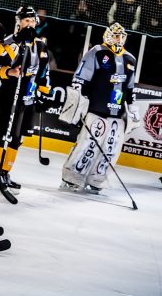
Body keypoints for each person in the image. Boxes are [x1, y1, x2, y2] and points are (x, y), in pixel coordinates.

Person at [58, 23, 139, 193]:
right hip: (96, 109)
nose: (119, 39)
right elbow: (80, 78)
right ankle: (72, 177)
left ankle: (97, 180)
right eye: (116, 35)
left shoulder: (130, 59)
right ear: (108, 35)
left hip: (118, 114)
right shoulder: (97, 51)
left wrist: (132, 108)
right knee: (87, 144)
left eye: (121, 36)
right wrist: (78, 98)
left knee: (111, 148)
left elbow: (130, 88)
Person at [0, 6, 51, 193]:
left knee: (18, 137)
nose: (29, 24)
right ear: (18, 22)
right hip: (10, 96)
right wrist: (9, 72)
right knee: (3, 134)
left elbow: (43, 72)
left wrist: (43, 92)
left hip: (28, 98)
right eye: (26, 21)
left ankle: (5, 172)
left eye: (32, 21)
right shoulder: (10, 43)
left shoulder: (40, 45)